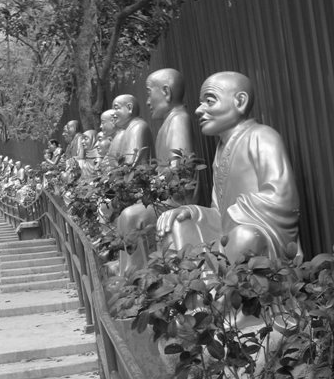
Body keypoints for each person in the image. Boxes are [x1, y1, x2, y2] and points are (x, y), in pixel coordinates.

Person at [157, 71, 299, 263]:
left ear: (239, 101)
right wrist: (193, 211)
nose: (199, 110)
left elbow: (282, 198)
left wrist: (231, 216)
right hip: (228, 232)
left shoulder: (262, 136)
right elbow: (218, 212)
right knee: (177, 223)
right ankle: (191, 290)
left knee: (244, 237)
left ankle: (221, 288)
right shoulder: (221, 150)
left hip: (258, 236)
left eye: (209, 100)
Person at [115, 68, 198, 274]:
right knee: (127, 212)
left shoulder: (179, 120)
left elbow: (177, 169)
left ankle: (134, 272)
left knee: (130, 216)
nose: (148, 101)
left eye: (149, 92)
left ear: (166, 92)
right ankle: (128, 266)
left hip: (176, 199)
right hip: (162, 194)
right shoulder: (168, 123)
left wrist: (153, 187)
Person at [108, 94, 154, 166]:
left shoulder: (137, 127)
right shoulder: (127, 130)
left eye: (116, 108)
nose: (112, 113)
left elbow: (132, 162)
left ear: (129, 108)